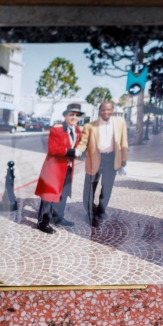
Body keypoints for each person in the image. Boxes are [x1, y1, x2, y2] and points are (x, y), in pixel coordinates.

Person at [34, 103, 85, 234]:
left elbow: (80, 146)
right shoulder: (56, 129)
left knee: (63, 194)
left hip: (67, 168)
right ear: (65, 116)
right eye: (71, 114)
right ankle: (43, 223)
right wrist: (72, 152)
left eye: (77, 115)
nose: (74, 117)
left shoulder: (78, 130)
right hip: (54, 168)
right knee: (49, 196)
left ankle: (58, 218)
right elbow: (53, 149)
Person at [79, 100, 128, 228]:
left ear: (112, 110)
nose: (106, 112)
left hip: (112, 159)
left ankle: (101, 210)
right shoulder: (90, 126)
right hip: (94, 159)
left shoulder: (120, 123)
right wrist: (78, 151)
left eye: (108, 109)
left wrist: (124, 159)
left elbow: (124, 142)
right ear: (99, 111)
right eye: (103, 110)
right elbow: (83, 142)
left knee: (107, 187)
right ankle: (90, 213)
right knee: (89, 188)